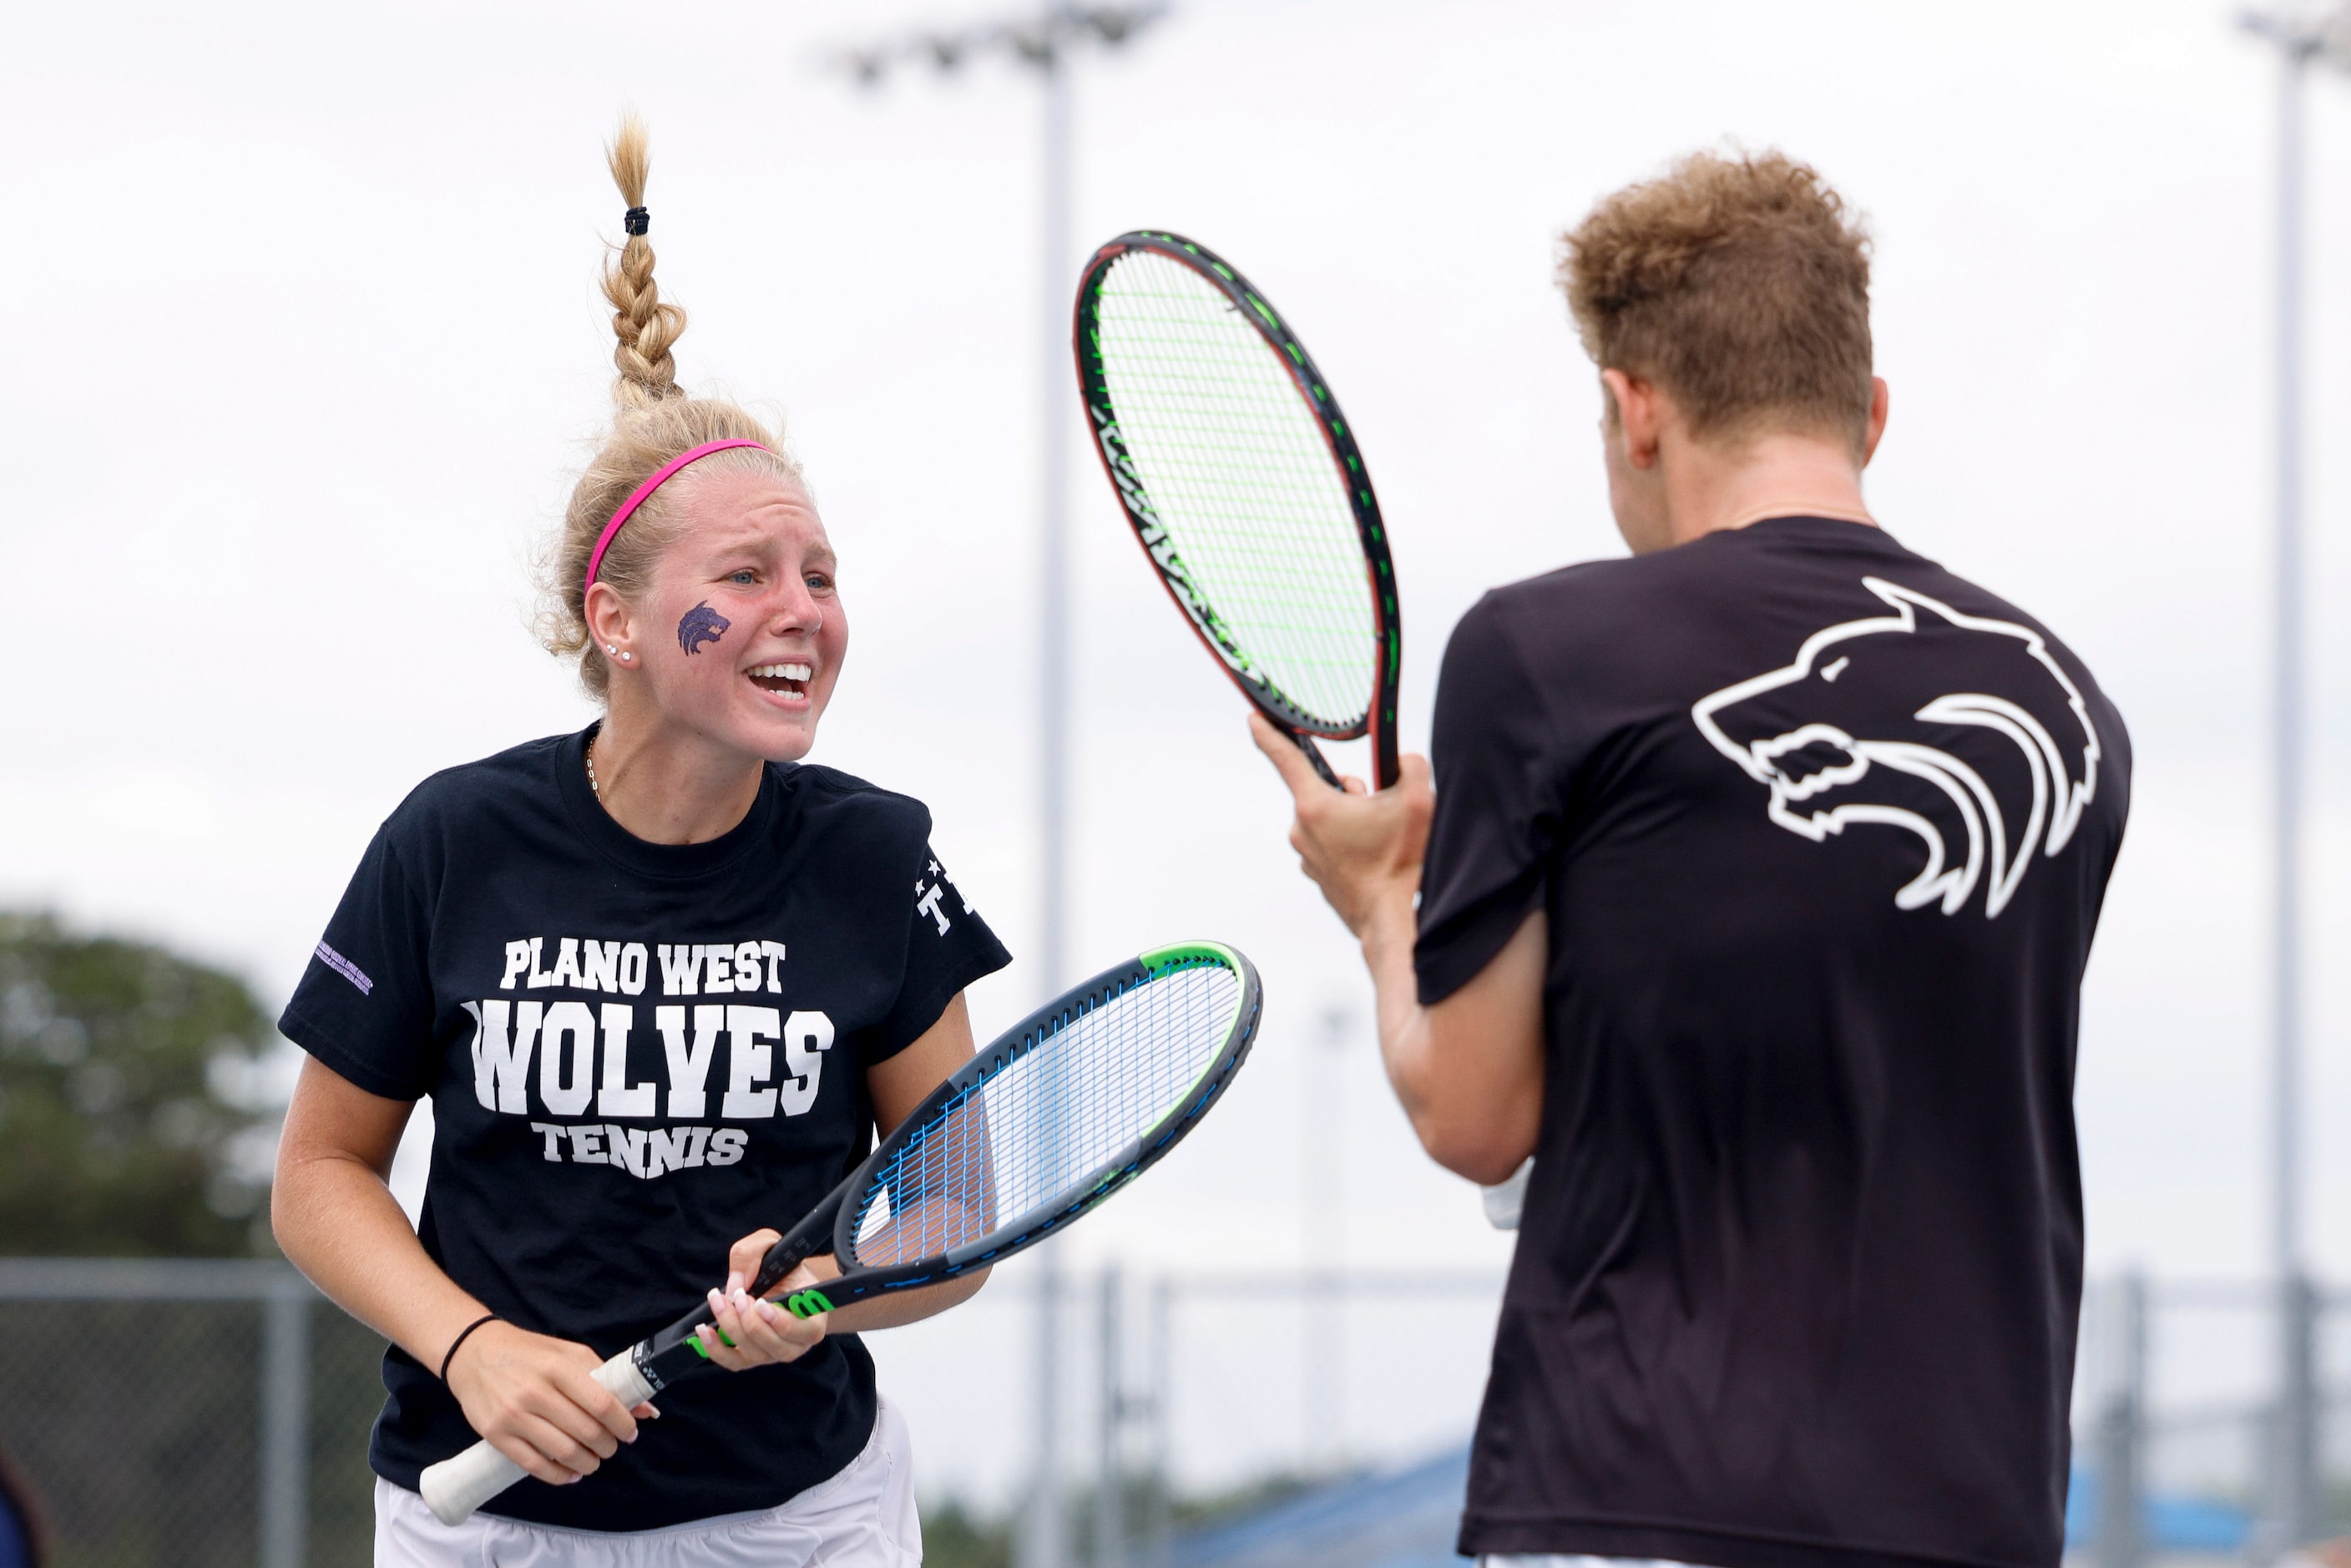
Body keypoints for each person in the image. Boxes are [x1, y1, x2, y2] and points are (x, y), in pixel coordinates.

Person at [1252, 149, 2131, 1568]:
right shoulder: (2070, 704)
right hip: (1979, 1512)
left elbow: (1478, 1116)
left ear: (1633, 406)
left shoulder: (1547, 655)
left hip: (1639, 1490)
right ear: (1873, 415)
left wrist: (1380, 901)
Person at [270, 118, 1009, 1566]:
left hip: (804, 1522)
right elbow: (317, 1176)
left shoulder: (874, 854)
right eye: (746, 575)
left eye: (820, 574)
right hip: (477, 1516)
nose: (803, 608)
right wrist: (470, 1344)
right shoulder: (451, 838)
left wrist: (828, 1294)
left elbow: (961, 1202)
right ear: (616, 620)